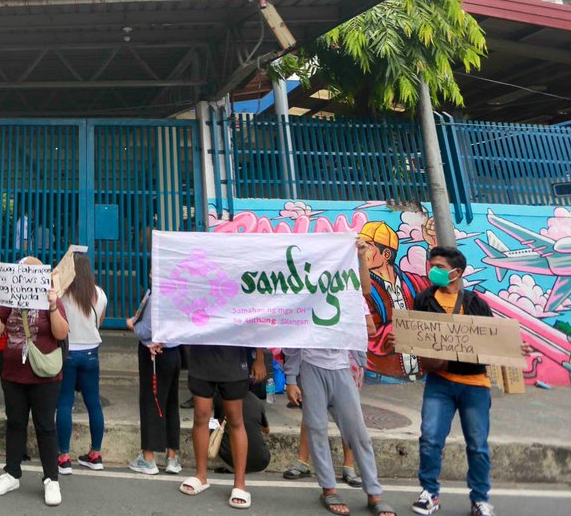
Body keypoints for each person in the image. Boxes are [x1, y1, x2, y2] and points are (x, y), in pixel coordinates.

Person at [404, 246, 531, 516]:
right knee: (429, 439)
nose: (432, 270)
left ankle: (480, 499)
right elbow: (417, 337)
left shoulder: (476, 304)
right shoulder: (424, 300)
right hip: (439, 384)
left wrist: (514, 349)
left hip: (475, 385)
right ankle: (429, 494)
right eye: (431, 265)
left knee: (477, 446)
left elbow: (493, 340)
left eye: (438, 266)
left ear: (456, 272)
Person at [283, 242, 393, 516]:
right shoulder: (303, 294)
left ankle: (374, 493)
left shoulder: (346, 289)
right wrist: (291, 378)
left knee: (357, 432)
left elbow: (365, 290)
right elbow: (294, 338)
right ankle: (329, 489)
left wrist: (358, 255)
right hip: (311, 367)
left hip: (342, 368)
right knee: (317, 428)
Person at [0, 257, 69, 507]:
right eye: (23, 272)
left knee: (45, 426)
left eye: (32, 272)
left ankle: (51, 479)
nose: (27, 276)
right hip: (13, 373)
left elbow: (61, 333)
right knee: (15, 423)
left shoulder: (50, 298)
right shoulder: (8, 298)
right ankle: (12, 473)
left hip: (44, 376)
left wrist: (53, 306)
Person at [179, 343, 266, 510]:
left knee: (235, 419)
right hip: (201, 357)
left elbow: (253, 319)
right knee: (200, 415)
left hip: (233, 358)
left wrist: (259, 358)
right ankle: (201, 476)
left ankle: (239, 484)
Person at [56, 252, 107, 474]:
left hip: (68, 353)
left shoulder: (63, 294)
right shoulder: (99, 294)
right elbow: (99, 322)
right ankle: (95, 454)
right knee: (93, 403)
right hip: (91, 354)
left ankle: (63, 457)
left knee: (65, 403)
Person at [360, 221, 429, 380]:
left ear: (386, 255)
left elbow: (439, 295)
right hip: (383, 375)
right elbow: (368, 329)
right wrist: (394, 332)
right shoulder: (362, 287)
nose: (362, 252)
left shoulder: (413, 282)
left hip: (421, 372)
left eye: (368, 246)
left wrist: (432, 246)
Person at [126, 288, 182, 476]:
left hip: (153, 352)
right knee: (171, 404)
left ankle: (148, 458)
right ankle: (172, 457)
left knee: (151, 402)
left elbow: (147, 329)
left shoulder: (156, 295)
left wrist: (133, 326)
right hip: (173, 351)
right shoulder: (180, 292)